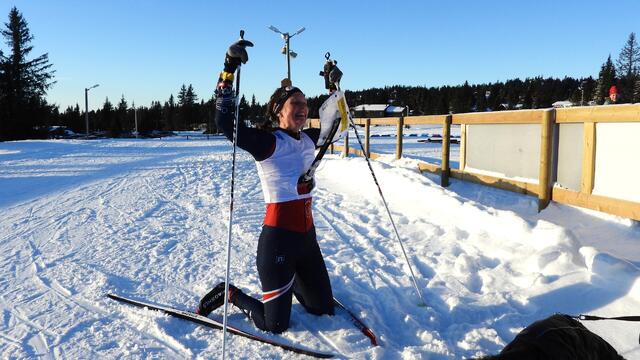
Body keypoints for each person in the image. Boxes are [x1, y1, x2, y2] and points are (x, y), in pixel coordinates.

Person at [195, 38, 334, 333]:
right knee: (276, 325)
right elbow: (225, 124)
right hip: (278, 242)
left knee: (323, 307)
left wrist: (333, 86)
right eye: (295, 103)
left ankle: (293, 279)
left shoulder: (310, 139)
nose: (302, 108)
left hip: (307, 241)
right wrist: (228, 69)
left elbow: (337, 122)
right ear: (278, 111)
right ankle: (232, 294)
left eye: (305, 103)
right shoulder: (269, 143)